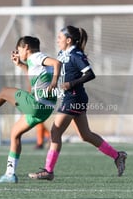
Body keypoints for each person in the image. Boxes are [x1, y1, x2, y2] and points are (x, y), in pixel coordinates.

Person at [28, 26, 127, 181]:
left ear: (68, 40)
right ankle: (117, 156)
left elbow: (90, 74)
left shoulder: (76, 55)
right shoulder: (62, 54)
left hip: (73, 98)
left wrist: (71, 84)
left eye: (60, 37)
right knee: (85, 135)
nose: (57, 40)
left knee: (55, 132)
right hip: (72, 97)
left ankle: (48, 171)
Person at [0, 36, 61, 183]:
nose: (18, 53)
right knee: (15, 133)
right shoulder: (35, 63)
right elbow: (32, 82)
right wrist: (21, 65)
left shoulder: (37, 57)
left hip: (37, 105)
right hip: (45, 109)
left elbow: (57, 62)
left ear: (26, 48)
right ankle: (10, 174)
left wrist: (54, 82)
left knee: (5, 92)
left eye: (19, 50)